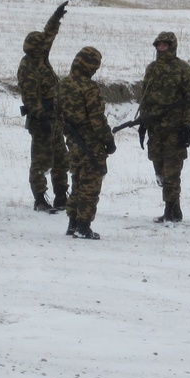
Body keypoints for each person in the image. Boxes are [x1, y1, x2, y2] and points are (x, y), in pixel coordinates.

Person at [137, 31, 190, 223]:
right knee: (159, 168)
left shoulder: (183, 69)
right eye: (158, 45)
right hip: (155, 129)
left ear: (172, 46)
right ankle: (174, 207)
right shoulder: (152, 69)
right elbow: (145, 97)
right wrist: (143, 123)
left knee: (172, 171)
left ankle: (171, 210)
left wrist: (187, 124)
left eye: (164, 45)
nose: (161, 48)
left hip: (174, 129)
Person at [56, 46, 115, 239]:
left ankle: (72, 223)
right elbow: (97, 119)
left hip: (73, 142)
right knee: (90, 185)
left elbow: (58, 114)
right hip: (91, 143)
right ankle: (83, 226)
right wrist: (108, 140)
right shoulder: (89, 88)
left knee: (77, 182)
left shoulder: (63, 84)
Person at [17, 1, 70, 213]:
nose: (44, 48)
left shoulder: (40, 57)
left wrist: (56, 18)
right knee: (41, 160)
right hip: (42, 120)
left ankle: (61, 196)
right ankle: (40, 198)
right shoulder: (28, 66)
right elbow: (30, 97)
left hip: (54, 117)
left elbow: (48, 36)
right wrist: (42, 117)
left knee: (60, 158)